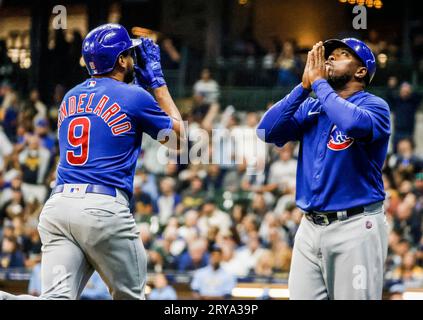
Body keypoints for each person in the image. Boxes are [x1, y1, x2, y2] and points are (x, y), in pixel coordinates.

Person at [1, 23, 185, 300]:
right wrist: (158, 85)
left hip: (58, 208)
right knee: (131, 297)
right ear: (121, 60)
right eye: (129, 55)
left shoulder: (70, 97)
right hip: (102, 209)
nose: (134, 60)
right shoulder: (135, 96)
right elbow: (178, 141)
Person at [257, 38, 391, 299]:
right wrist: (304, 86)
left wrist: (319, 84)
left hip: (355, 225)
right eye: (327, 55)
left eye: (340, 55)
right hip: (309, 226)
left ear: (361, 71)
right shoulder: (312, 105)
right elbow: (266, 130)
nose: (329, 59)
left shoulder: (375, 106)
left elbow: (351, 124)